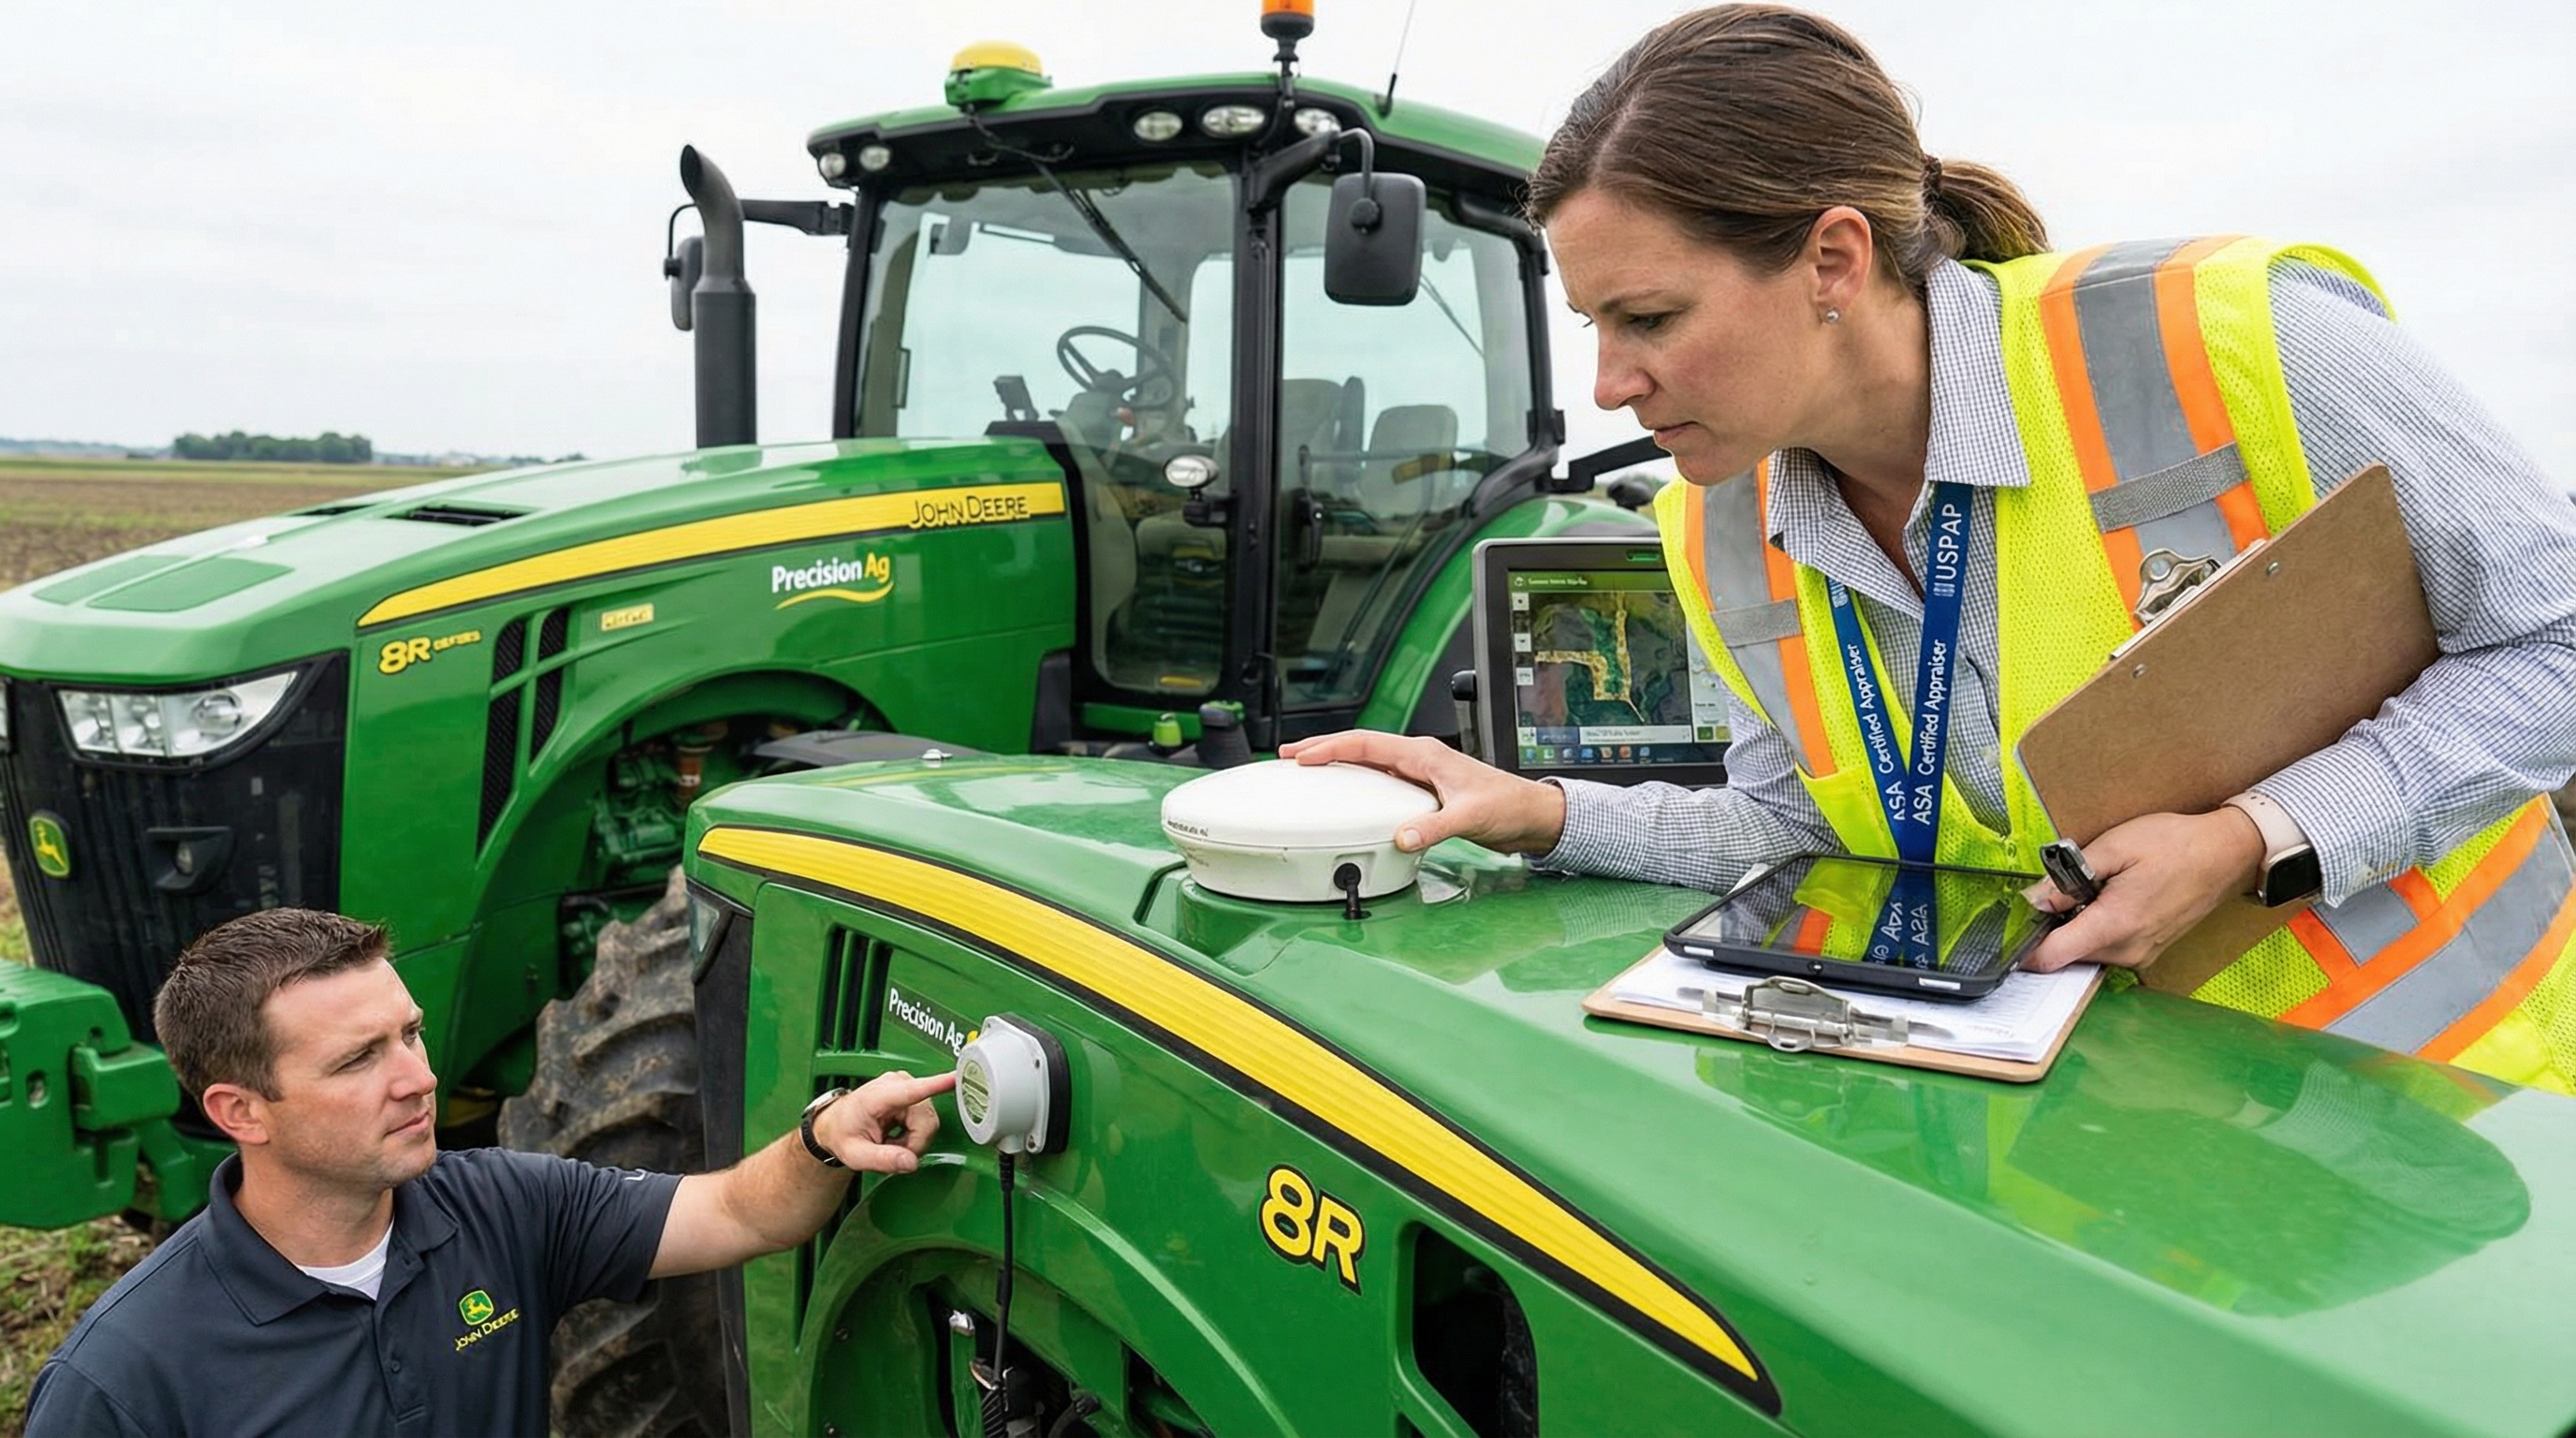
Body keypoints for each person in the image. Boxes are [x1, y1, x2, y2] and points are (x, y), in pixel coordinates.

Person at [1287, 4, 2576, 1093]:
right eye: (1592, 325)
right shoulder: (1711, 525)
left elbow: (2556, 638)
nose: (1611, 385)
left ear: (1833, 260)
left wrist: (2259, 833)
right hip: (2109, 1148)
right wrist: (1539, 815)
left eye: (1651, 317)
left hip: (2444, 1128)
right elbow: (1795, 832)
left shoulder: (2235, 336)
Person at [23, 908, 953, 1437]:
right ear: (240, 1112)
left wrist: (823, 1139)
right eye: (359, 1061)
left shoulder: (497, 1207)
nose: (419, 1078)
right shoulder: (124, 1378)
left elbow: (740, 1216)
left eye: (411, 1034)